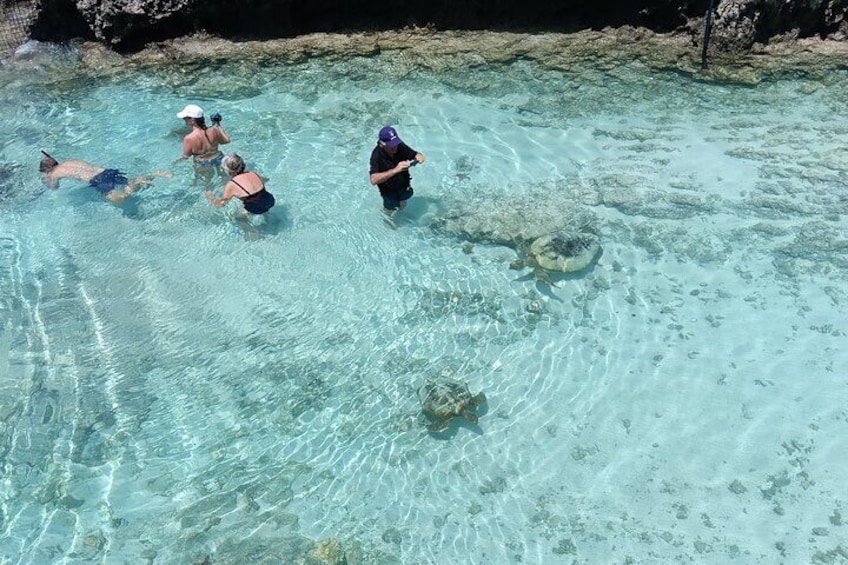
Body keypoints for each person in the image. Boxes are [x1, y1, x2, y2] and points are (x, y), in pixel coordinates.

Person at [38, 151, 169, 204]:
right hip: (106, 171)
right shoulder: (69, 161)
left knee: (119, 200)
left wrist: (46, 177)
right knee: (127, 183)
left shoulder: (54, 173)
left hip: (98, 180)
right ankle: (151, 175)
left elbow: (53, 188)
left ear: (48, 169)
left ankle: (136, 183)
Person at [369, 126, 425, 215]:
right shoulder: (376, 156)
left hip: (404, 185)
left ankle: (401, 213)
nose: (395, 147)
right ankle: (388, 223)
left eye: (395, 143)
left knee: (403, 202)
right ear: (381, 144)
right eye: (391, 145)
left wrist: (417, 159)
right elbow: (373, 180)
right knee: (389, 210)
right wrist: (395, 170)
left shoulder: (399, 146)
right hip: (389, 192)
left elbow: (418, 155)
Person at [176, 104, 231, 187]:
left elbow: (186, 156)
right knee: (224, 181)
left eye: (185, 118)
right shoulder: (214, 130)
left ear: (192, 120)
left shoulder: (189, 138)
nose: (184, 120)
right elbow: (226, 141)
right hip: (219, 158)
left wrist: (177, 161)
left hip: (202, 163)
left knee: (207, 185)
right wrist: (218, 125)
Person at [205, 153, 275, 216]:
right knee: (261, 202)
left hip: (255, 208)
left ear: (227, 170)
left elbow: (221, 204)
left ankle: (251, 230)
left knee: (238, 218)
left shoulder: (231, 184)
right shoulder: (253, 173)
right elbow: (266, 180)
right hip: (269, 200)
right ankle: (268, 218)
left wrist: (211, 197)